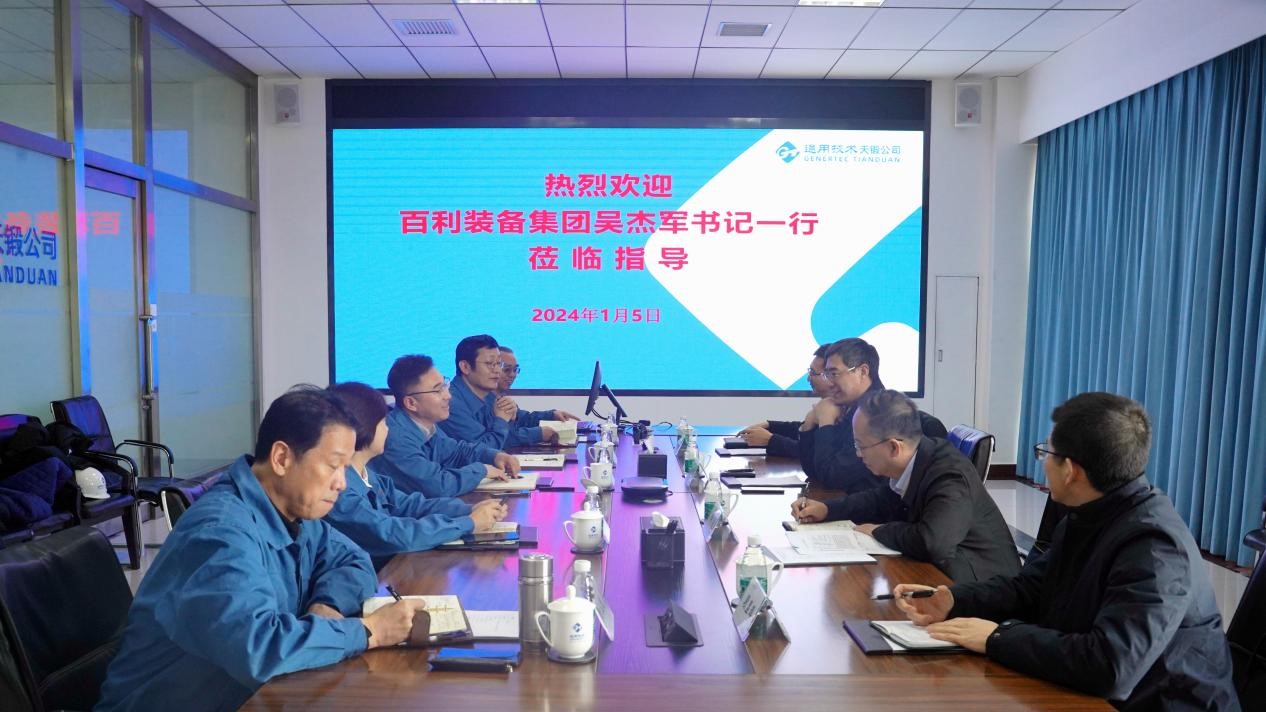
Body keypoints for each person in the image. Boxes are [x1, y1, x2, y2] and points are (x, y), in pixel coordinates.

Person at [893, 392, 1239, 710]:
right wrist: (954, 600)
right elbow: (1031, 588)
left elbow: (1110, 665)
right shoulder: (1090, 513)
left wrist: (997, 638)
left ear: (1071, 470)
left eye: (1046, 453)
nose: (1043, 462)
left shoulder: (1155, 548)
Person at [97, 388, 425, 711]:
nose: (341, 483)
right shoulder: (221, 534)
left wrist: (327, 605)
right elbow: (260, 648)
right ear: (282, 458)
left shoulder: (294, 511)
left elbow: (353, 559)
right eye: (333, 465)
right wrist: (370, 631)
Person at [790, 390, 1019, 583]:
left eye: (861, 446)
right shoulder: (917, 460)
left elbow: (931, 542)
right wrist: (828, 509)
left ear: (893, 447)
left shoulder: (949, 474)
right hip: (943, 572)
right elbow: (881, 499)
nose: (858, 455)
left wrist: (878, 531)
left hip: (981, 588)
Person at [325, 382, 509, 569]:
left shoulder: (366, 474)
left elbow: (410, 505)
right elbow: (392, 534)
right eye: (383, 422)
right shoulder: (338, 488)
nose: (388, 429)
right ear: (361, 428)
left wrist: (468, 510)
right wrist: (468, 523)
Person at [798, 337, 947, 492]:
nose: (829, 383)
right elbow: (814, 471)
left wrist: (825, 422)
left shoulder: (874, 415)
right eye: (827, 375)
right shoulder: (852, 407)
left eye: (834, 374)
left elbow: (831, 476)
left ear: (863, 371)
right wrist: (808, 425)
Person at [374, 354, 520, 498]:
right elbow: (436, 486)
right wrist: (481, 470)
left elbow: (456, 452)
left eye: (445, 386)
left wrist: (494, 456)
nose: (448, 396)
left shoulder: (425, 424)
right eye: (438, 390)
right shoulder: (395, 437)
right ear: (411, 403)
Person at [441, 334, 576, 449]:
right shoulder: (450, 404)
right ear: (465, 367)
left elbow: (515, 423)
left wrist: (550, 415)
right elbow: (482, 448)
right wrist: (502, 419)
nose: (497, 370)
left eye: (498, 364)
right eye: (490, 364)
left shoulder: (485, 393)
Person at [738, 343, 832, 458]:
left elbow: (816, 454)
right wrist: (769, 425)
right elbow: (801, 431)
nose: (808, 378)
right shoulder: (828, 405)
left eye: (813, 373)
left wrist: (771, 440)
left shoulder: (846, 411)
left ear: (830, 375)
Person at [496, 345, 581, 439]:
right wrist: (539, 434)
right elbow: (504, 438)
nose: (512, 375)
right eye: (507, 369)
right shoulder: (486, 402)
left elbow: (523, 419)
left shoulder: (502, 397)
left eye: (515, 370)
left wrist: (552, 415)